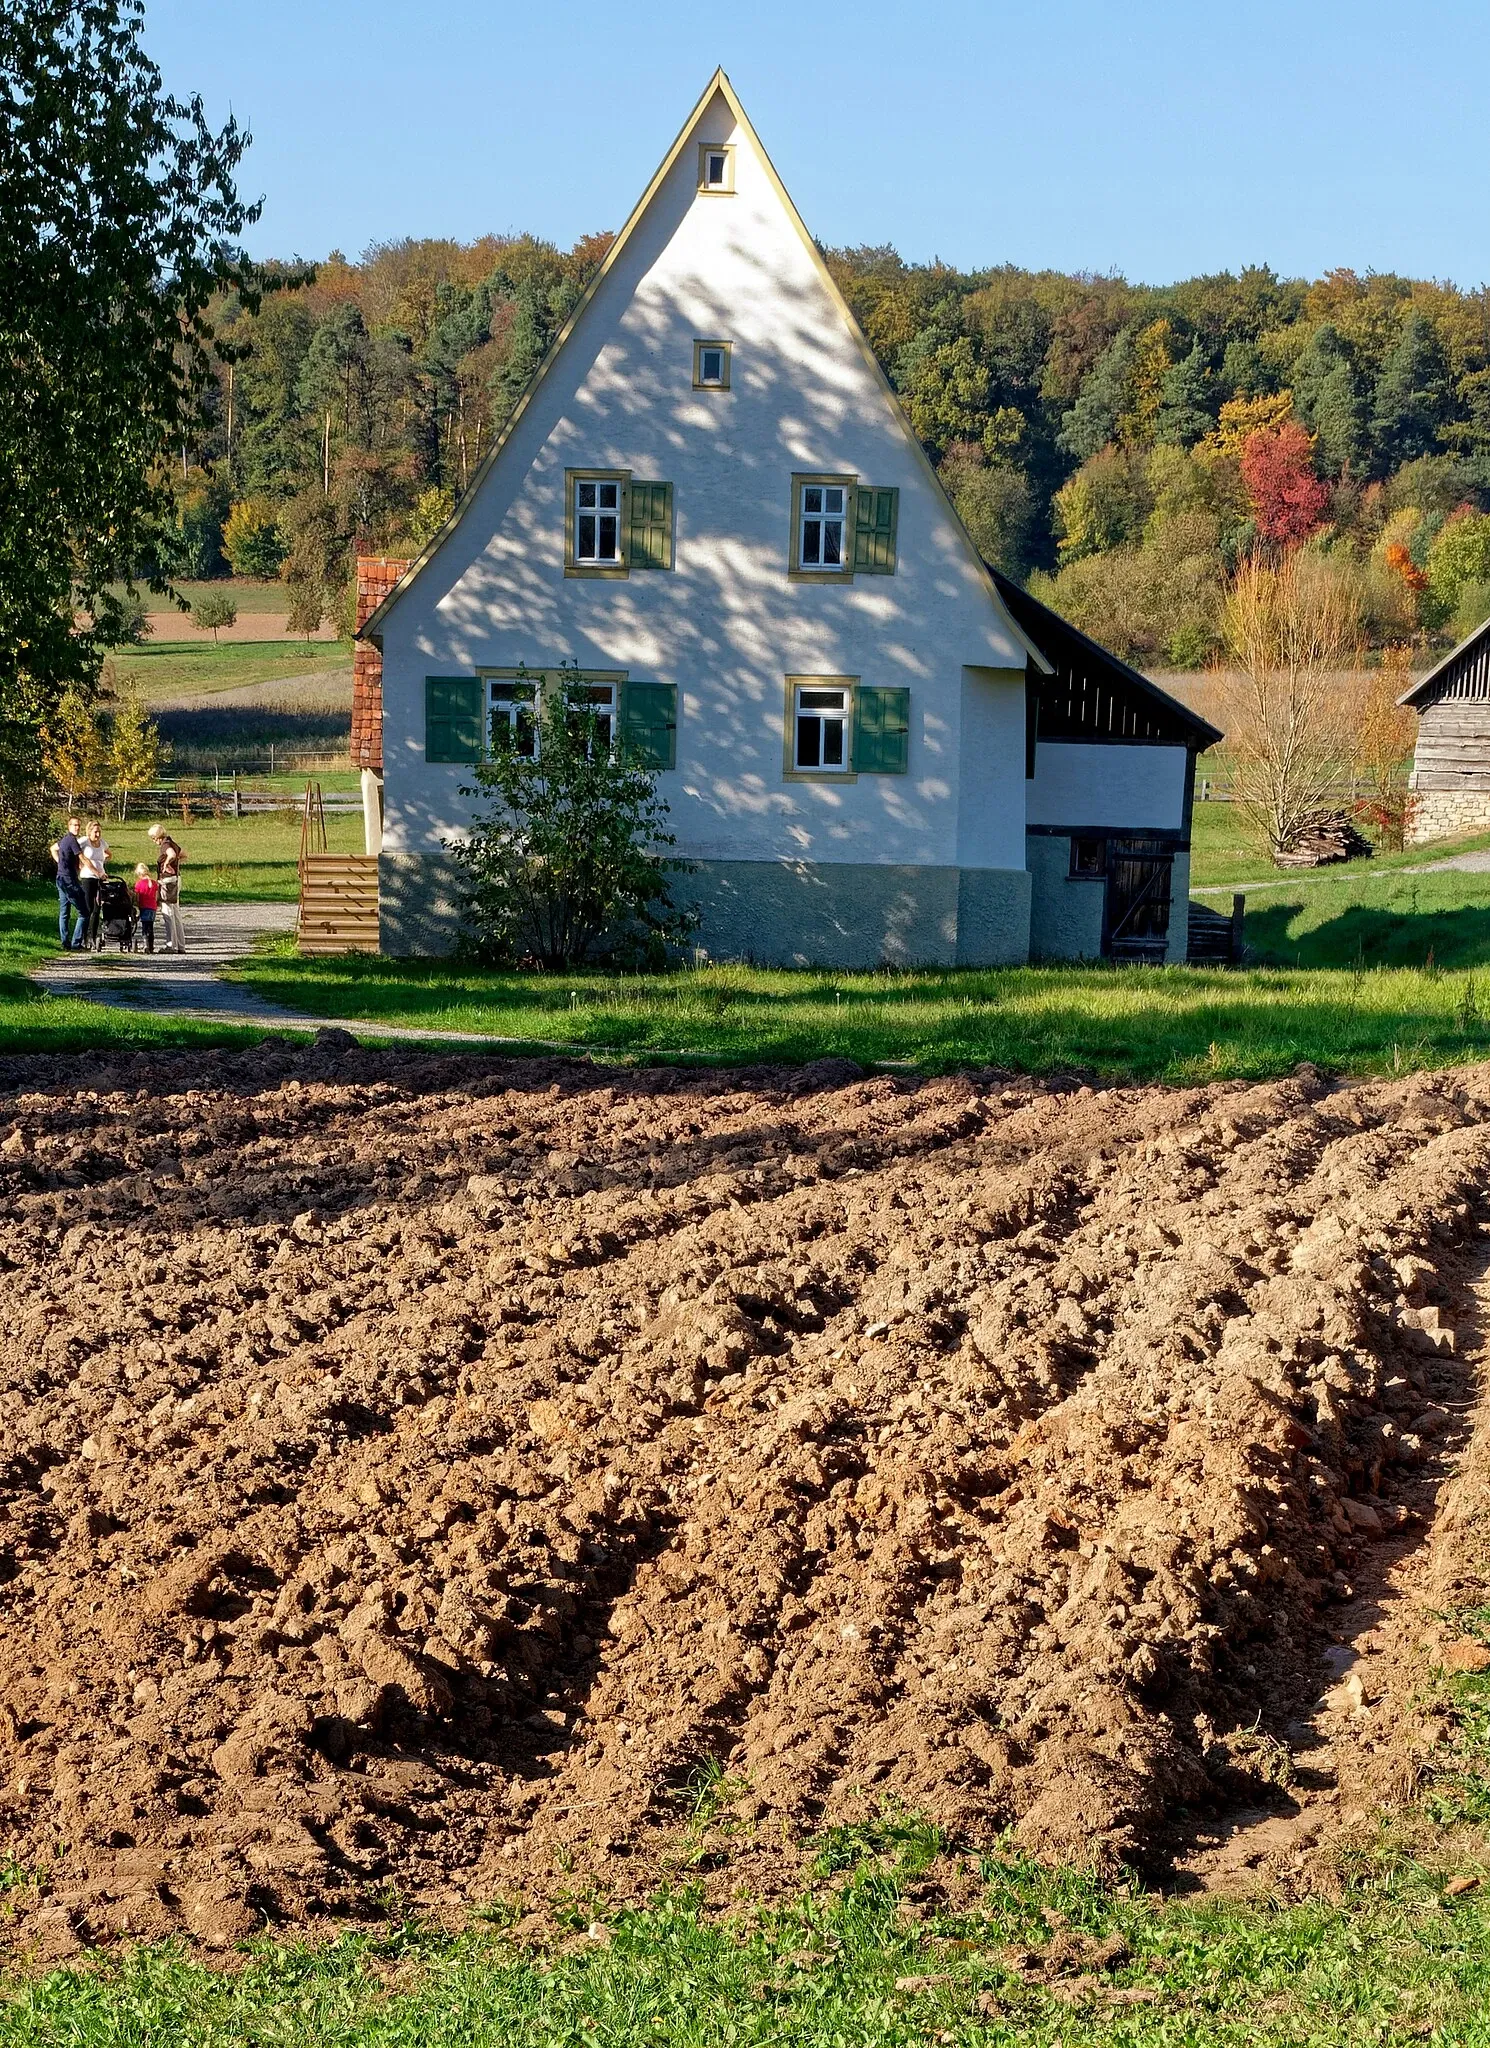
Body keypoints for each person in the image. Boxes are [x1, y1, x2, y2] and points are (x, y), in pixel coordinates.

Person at [50, 816, 89, 950]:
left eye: (78, 825)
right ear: (69, 826)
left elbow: (53, 848)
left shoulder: (64, 839)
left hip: (60, 878)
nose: (77, 828)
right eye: (74, 825)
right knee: (84, 912)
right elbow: (82, 858)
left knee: (64, 912)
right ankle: (75, 943)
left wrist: (60, 863)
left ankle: (65, 942)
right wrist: (96, 871)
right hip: (68, 881)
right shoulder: (72, 840)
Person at [148, 823, 185, 954]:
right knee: (176, 913)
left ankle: (171, 945)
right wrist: (176, 865)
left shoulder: (165, 844)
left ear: (157, 836)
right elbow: (183, 854)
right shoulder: (172, 842)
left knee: (167, 913)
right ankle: (181, 945)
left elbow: (172, 854)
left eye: (153, 838)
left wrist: (167, 864)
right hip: (176, 879)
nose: (154, 841)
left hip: (167, 881)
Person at [78, 819, 110, 950]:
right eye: (95, 832)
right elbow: (75, 852)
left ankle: (93, 935)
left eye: (99, 832)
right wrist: (79, 864)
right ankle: (83, 936)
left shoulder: (102, 843)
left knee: (97, 908)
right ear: (89, 831)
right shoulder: (84, 841)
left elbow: (108, 854)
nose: (97, 835)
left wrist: (103, 862)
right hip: (88, 878)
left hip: (100, 878)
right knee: (88, 908)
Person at [132, 864, 158, 953]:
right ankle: (151, 946)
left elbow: (138, 898)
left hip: (144, 907)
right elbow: (157, 897)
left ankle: (146, 944)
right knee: (151, 927)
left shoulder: (139, 884)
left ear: (139, 874)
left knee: (145, 927)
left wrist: (138, 905)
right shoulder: (154, 883)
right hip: (153, 907)